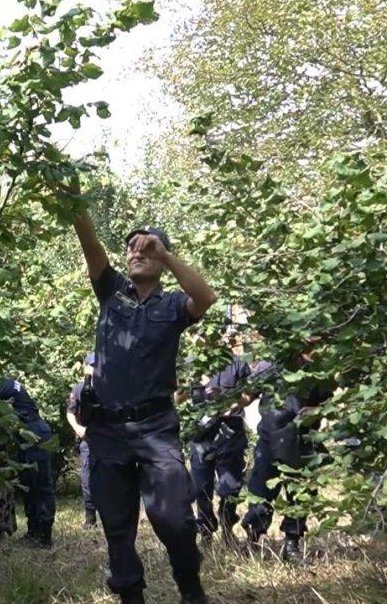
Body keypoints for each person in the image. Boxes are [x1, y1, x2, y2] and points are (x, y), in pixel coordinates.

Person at [67, 180, 217, 604]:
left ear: (163, 260)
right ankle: (131, 596)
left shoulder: (173, 305)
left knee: (172, 519)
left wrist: (166, 254)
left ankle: (191, 589)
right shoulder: (112, 292)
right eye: (132, 247)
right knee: (117, 526)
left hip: (155, 428)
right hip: (108, 432)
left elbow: (205, 297)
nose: (137, 251)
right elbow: (89, 243)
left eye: (147, 248)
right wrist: (75, 201)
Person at [241, 349, 331, 563]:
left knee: (301, 495)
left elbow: (330, 403)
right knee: (260, 493)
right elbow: (246, 397)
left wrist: (316, 411)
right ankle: (253, 537)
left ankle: (291, 545)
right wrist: (224, 398)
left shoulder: (320, 371)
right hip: (269, 440)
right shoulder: (270, 366)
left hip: (302, 441)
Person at [179, 325, 257, 545]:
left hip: (229, 432)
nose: (204, 338)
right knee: (201, 486)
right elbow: (177, 398)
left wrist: (230, 404)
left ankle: (227, 524)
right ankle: (205, 530)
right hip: (201, 435)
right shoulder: (191, 364)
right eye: (199, 334)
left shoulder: (236, 362)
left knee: (230, 485)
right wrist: (193, 380)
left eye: (209, 334)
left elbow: (249, 395)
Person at [0, 377, 56, 548]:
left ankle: (44, 536)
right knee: (29, 486)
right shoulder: (4, 383)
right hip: (27, 436)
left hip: (35, 435)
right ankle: (33, 532)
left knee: (41, 487)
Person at [66, 352, 97, 528]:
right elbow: (70, 412)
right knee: (87, 480)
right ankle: (90, 519)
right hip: (88, 440)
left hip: (108, 440)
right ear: (85, 366)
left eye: (97, 365)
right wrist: (78, 428)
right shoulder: (79, 389)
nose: (95, 368)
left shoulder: (110, 386)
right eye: (91, 365)